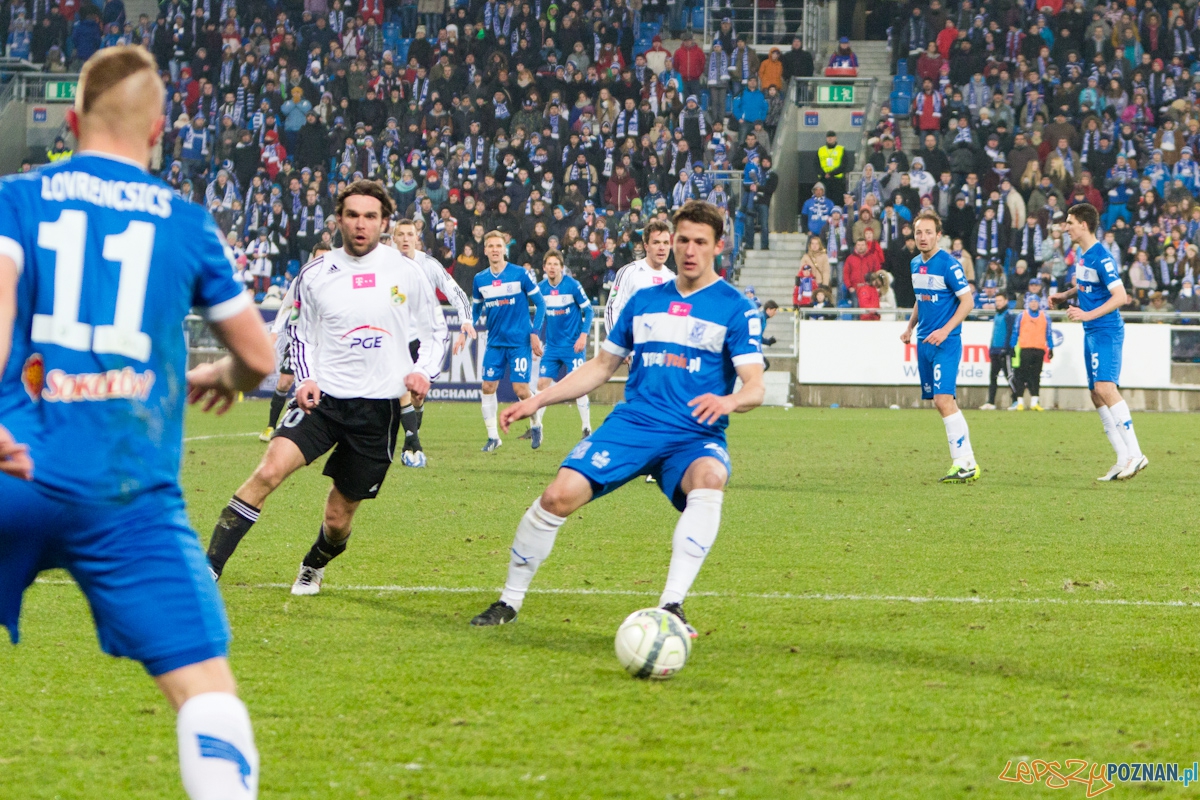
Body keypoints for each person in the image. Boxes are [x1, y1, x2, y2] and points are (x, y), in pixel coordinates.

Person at [0, 46, 276, 800]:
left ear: (71, 119)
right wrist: (225, 376)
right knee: (209, 696)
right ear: (158, 130)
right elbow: (258, 355)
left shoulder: (16, 199)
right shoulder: (186, 223)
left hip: (15, 467)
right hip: (126, 492)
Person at [468, 200, 765, 634]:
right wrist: (537, 400)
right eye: (683, 240)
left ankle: (672, 604)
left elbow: (755, 385)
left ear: (717, 246)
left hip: (693, 433)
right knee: (556, 497)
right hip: (634, 424)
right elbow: (601, 366)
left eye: (700, 242)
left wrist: (729, 402)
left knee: (709, 479)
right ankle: (508, 601)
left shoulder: (736, 308)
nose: (689, 250)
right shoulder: (644, 301)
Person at [204, 181, 448, 591]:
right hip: (323, 400)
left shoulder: (407, 272)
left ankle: (314, 563)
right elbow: (300, 334)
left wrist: (424, 371)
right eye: (352, 215)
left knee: (337, 520)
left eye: (370, 216)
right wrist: (306, 378)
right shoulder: (316, 274)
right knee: (267, 471)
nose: (360, 224)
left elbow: (435, 331)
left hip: (378, 410)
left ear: (384, 223)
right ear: (338, 220)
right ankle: (207, 568)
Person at [1052, 203, 1147, 481]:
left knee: (1105, 387)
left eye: (1069, 222)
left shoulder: (1102, 257)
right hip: (1092, 331)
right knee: (1096, 393)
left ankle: (1136, 453)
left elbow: (1120, 296)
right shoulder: (1084, 255)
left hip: (1106, 330)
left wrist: (1086, 314)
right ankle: (1122, 457)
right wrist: (1066, 295)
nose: (1065, 228)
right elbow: (1088, 285)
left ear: (1083, 225)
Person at [900, 210, 979, 483]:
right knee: (943, 402)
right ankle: (966, 460)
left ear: (938, 235)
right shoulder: (914, 264)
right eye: (918, 232)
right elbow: (920, 298)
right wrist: (910, 327)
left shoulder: (949, 264)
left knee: (943, 400)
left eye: (928, 232)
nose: (923, 237)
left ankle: (963, 462)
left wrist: (946, 330)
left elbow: (968, 302)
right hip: (924, 341)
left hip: (946, 342)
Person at [392, 218, 475, 467]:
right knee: (401, 390)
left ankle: (411, 436)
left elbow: (455, 291)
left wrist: (466, 319)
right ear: (393, 238)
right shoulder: (385, 266)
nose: (405, 239)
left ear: (417, 238)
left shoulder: (428, 265)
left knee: (417, 395)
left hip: (424, 339)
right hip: (395, 339)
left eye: (410, 234)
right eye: (400, 234)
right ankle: (412, 443)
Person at [473, 230, 547, 451]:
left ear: (504, 249)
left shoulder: (520, 274)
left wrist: (535, 332)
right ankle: (493, 437)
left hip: (518, 342)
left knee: (521, 390)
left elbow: (541, 304)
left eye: (499, 245)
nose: (495, 249)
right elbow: (475, 309)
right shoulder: (480, 279)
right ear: (485, 250)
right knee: (487, 386)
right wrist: (468, 326)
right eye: (491, 246)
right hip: (495, 343)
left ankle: (536, 424)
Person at [261, 242, 333, 442]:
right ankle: (271, 426)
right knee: (285, 381)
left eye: (325, 259)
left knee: (317, 385)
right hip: (300, 339)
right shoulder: (302, 280)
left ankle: (310, 431)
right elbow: (287, 306)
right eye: (318, 258)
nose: (321, 263)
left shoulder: (338, 282)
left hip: (325, 344)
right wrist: (275, 331)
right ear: (312, 258)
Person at [533, 250, 594, 439]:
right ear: (544, 267)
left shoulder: (572, 285)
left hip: (573, 345)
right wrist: (535, 337)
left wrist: (583, 336)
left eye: (555, 264)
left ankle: (586, 428)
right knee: (542, 383)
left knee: (578, 386)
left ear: (561, 267)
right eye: (549, 264)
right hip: (552, 346)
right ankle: (537, 427)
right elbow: (539, 317)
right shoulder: (540, 289)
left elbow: (589, 311)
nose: (552, 267)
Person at [604, 219, 676, 333]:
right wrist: (616, 342)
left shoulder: (672, 279)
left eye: (666, 243)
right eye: (656, 242)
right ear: (646, 246)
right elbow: (612, 310)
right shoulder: (629, 272)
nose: (662, 248)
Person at [1007, 293, 1054, 412]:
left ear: (1039, 303)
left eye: (1035, 302)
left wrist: (1051, 347)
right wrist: (1012, 346)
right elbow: (1015, 332)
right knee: (1021, 376)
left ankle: (1034, 402)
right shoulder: (1022, 316)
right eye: (1031, 302)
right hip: (1025, 349)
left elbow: (1048, 333)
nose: (1033, 304)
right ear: (1028, 303)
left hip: (1039, 350)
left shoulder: (1045, 316)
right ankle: (1020, 402)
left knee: (1036, 376)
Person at [980, 293, 1016, 411]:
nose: (998, 303)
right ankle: (991, 401)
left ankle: (1016, 400)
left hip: (1003, 351)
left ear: (1006, 301)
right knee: (993, 377)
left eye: (1000, 300)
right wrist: (991, 348)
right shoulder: (997, 315)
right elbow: (995, 333)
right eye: (996, 301)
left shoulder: (1009, 315)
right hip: (995, 350)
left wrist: (1006, 348)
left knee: (1009, 376)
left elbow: (1010, 333)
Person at [816, 131, 850, 201]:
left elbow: (844, 164)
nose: (830, 139)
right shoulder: (820, 150)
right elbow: (816, 164)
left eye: (832, 137)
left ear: (835, 138)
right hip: (824, 179)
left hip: (837, 180)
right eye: (828, 137)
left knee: (837, 200)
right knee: (824, 200)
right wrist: (824, 174)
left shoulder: (841, 149)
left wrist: (831, 173)